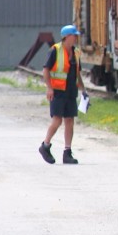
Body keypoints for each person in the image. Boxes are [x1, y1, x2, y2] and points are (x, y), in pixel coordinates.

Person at [40, 24, 84, 164]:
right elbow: (46, 70)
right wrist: (49, 88)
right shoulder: (55, 50)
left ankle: (67, 152)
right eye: (74, 35)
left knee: (69, 120)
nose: (76, 38)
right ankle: (45, 145)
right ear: (66, 37)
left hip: (71, 91)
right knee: (57, 120)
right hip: (58, 91)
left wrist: (84, 90)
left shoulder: (76, 52)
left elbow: (78, 73)